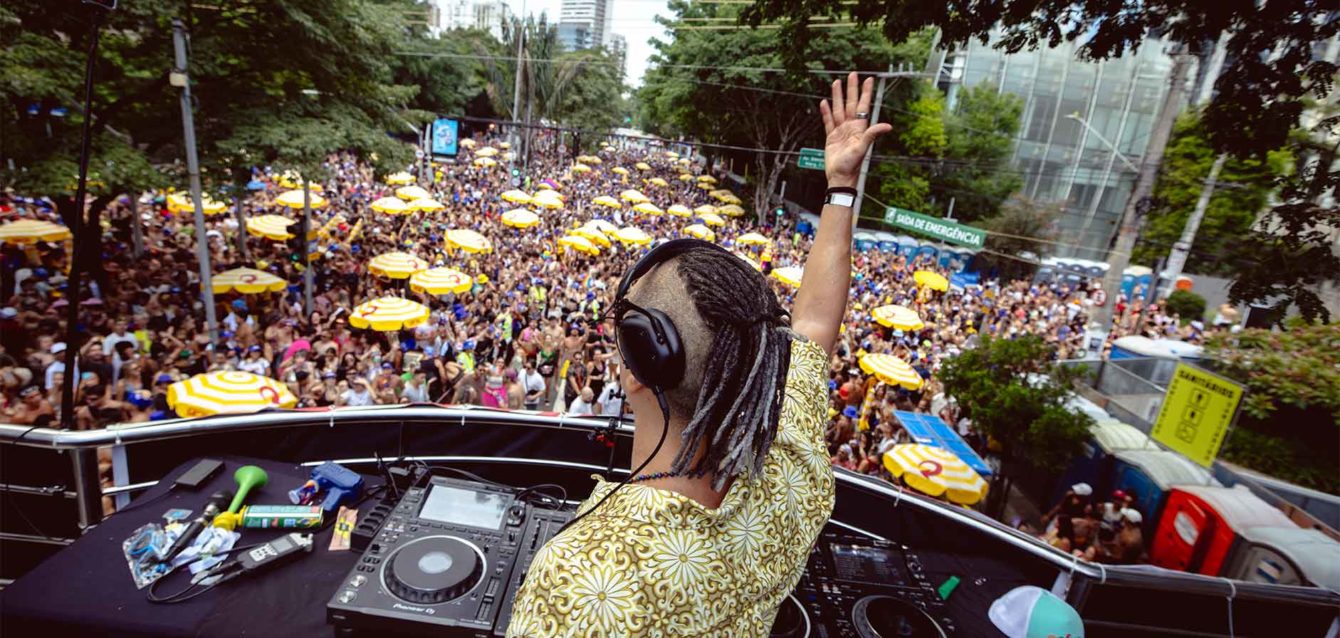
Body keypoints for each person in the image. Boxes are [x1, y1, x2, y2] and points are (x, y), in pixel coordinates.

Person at [507, 73, 889, 636]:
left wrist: (840, 185)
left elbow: (807, 327)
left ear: (638, 367)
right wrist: (840, 188)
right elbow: (810, 324)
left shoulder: (582, 580)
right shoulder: (792, 467)